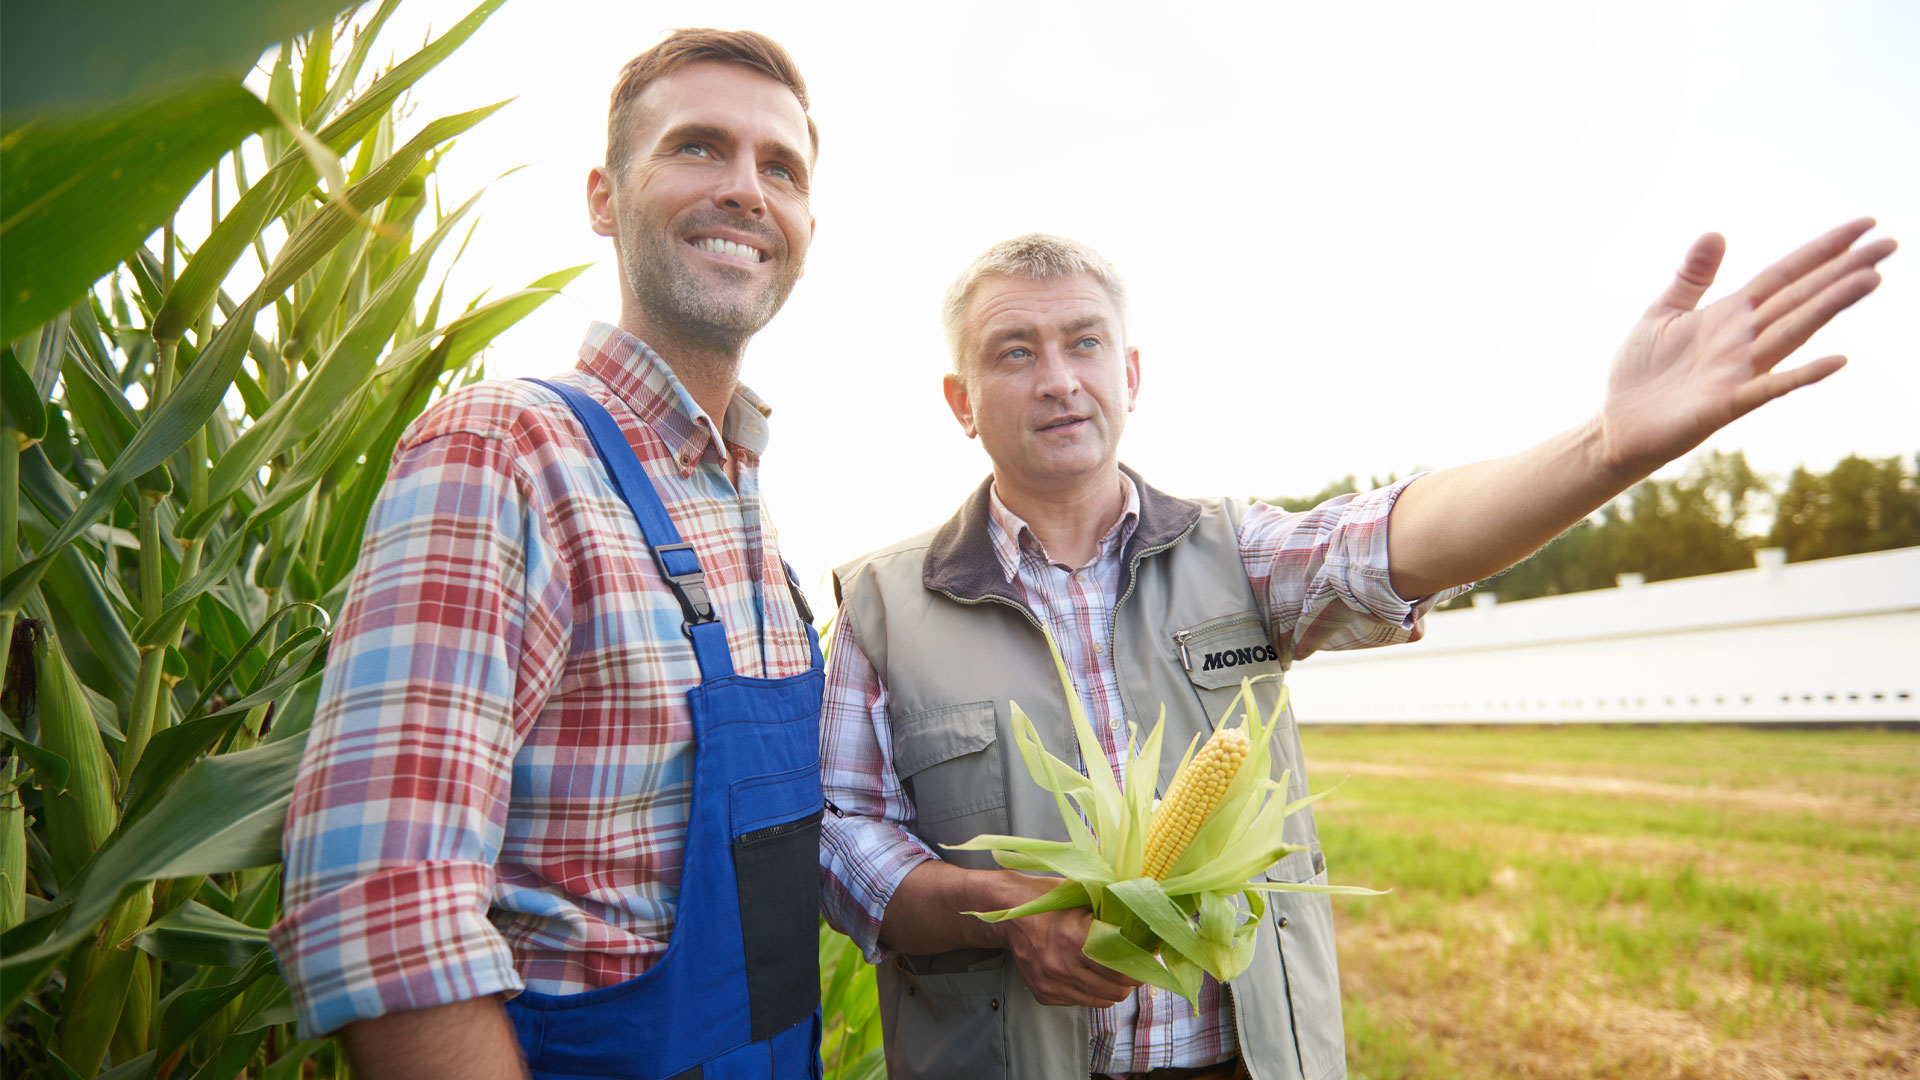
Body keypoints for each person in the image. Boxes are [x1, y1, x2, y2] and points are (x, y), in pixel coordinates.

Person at [819, 226, 1893, 1080]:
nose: (1059, 377)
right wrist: (1004, 915)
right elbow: (843, 843)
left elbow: (1394, 540)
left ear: (1131, 371)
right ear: (960, 402)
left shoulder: (1235, 554)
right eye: (1016, 351)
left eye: (1084, 341)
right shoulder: (878, 604)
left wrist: (1603, 449)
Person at [271, 29, 826, 1080]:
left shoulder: (750, 515)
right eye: (698, 148)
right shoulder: (508, 453)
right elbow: (383, 908)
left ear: (805, 223)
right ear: (604, 200)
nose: (747, 190)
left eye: (780, 168)